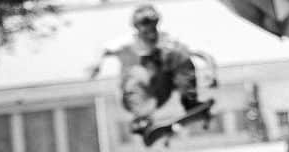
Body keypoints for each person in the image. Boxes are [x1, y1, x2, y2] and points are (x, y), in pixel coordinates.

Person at [87, 3, 212, 139]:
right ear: (137, 28)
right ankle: (141, 119)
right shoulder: (128, 43)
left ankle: (190, 101)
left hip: (160, 92)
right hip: (134, 97)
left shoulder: (167, 40)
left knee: (178, 53)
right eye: (145, 28)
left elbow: (199, 53)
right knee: (138, 72)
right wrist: (96, 64)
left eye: (153, 26)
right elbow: (103, 49)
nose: (151, 32)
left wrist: (211, 71)